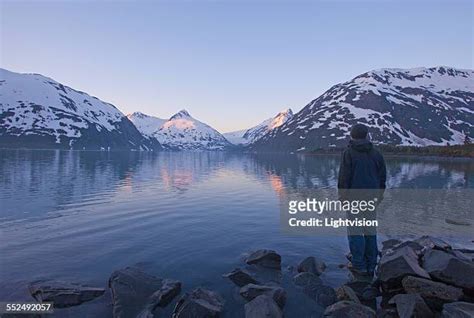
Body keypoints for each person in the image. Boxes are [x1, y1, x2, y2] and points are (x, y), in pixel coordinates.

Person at [337, 123, 386, 279]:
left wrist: (342, 197)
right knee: (370, 231)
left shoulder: (349, 153)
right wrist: (379, 196)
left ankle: (359, 265)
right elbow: (382, 177)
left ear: (352, 136)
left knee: (355, 231)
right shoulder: (377, 153)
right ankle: (371, 264)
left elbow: (344, 178)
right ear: (366, 135)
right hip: (372, 198)